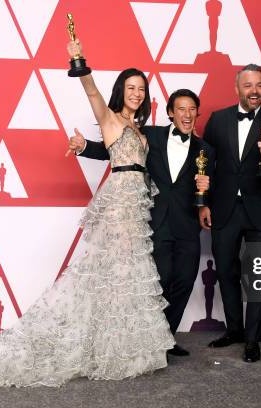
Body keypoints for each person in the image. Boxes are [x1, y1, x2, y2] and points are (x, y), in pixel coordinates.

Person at [0, 39, 175, 388]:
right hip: (118, 203)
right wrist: (78, 59)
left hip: (138, 206)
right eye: (130, 88)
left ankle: (125, 347)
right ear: (121, 91)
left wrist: (87, 147)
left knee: (129, 272)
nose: (136, 93)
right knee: (114, 269)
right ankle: (107, 348)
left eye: (141, 89)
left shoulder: (140, 129)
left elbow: (113, 153)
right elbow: (91, 94)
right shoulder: (110, 118)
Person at [69, 89, 214, 356]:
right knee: (160, 281)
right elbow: (117, 149)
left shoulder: (206, 151)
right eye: (181, 109)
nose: (187, 114)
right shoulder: (152, 136)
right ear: (171, 113)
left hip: (187, 225)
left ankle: (166, 339)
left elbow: (207, 188)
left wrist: (208, 191)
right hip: (155, 221)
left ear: (197, 113)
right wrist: (86, 147)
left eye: (192, 109)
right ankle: (154, 341)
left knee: (184, 280)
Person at [199, 64, 261, 362]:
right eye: (248, 85)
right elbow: (206, 164)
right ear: (237, 88)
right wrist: (205, 203)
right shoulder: (218, 120)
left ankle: (253, 340)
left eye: (260, 85)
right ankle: (235, 329)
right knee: (226, 272)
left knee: (259, 276)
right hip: (224, 209)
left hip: (260, 210)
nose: (254, 91)